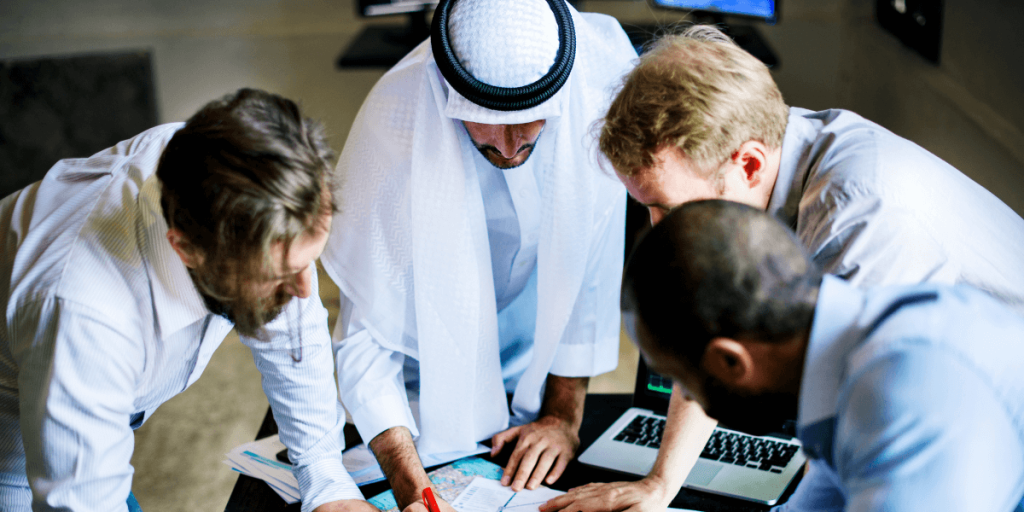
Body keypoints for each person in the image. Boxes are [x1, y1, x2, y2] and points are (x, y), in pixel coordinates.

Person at [543, 24, 1024, 512]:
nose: (659, 229)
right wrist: (660, 484)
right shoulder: (768, 173)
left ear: (748, 166)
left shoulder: (865, 220)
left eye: (668, 206)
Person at [318, 0, 637, 510]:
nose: (510, 149)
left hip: (534, 360)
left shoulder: (601, 76)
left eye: (531, 123)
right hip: (421, 381)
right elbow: (364, 338)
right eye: (484, 125)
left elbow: (590, 262)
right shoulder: (393, 124)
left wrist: (562, 416)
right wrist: (412, 488)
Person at [0, 89, 376, 512]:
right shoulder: (85, 315)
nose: (307, 291)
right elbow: (79, 500)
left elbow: (295, 341)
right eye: (276, 277)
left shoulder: (222, 166)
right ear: (187, 249)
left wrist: (326, 480)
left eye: (310, 261)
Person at [624, 200, 1024, 511]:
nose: (689, 399)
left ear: (731, 362)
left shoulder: (902, 389)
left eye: (686, 382)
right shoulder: (846, 365)